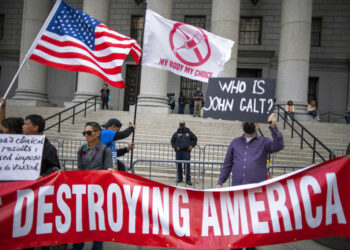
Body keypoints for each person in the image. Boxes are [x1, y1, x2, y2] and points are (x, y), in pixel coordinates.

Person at [217, 113, 284, 250]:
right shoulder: (235, 142)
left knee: (252, 229)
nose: (249, 123)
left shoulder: (264, 142)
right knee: (236, 226)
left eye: (252, 121)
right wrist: (220, 182)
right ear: (242, 124)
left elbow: (279, 145)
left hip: (255, 194)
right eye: (246, 121)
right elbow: (227, 164)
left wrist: (273, 126)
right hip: (237, 192)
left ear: (257, 125)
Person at [74, 122, 113, 250]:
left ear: (98, 133)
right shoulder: (81, 150)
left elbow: (108, 168)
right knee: (81, 221)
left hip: (99, 193)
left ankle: (97, 247)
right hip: (84, 192)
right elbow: (79, 170)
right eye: (84, 132)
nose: (86, 135)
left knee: (98, 223)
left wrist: (109, 171)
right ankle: (77, 246)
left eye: (89, 132)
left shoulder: (105, 150)